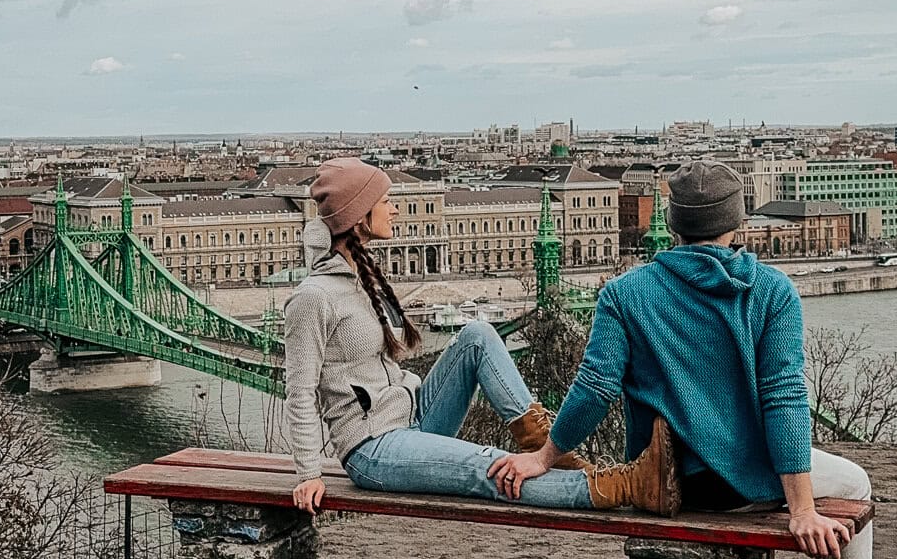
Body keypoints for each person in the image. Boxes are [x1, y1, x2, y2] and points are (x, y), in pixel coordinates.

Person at [488, 159, 897, 559]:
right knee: (856, 482)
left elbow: (594, 388)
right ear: (738, 222)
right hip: (740, 483)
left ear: (673, 223)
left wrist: (545, 455)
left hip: (666, 480)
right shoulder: (770, 291)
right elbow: (784, 399)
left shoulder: (624, 294)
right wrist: (803, 509)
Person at [284, 157, 680, 520]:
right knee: (490, 466)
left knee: (477, 335)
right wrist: (308, 473)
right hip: (374, 448)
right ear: (358, 216)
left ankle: (546, 446)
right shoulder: (313, 297)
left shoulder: (360, 276)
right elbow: (299, 392)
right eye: (386, 201)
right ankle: (627, 485)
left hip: (414, 415)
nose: (396, 209)